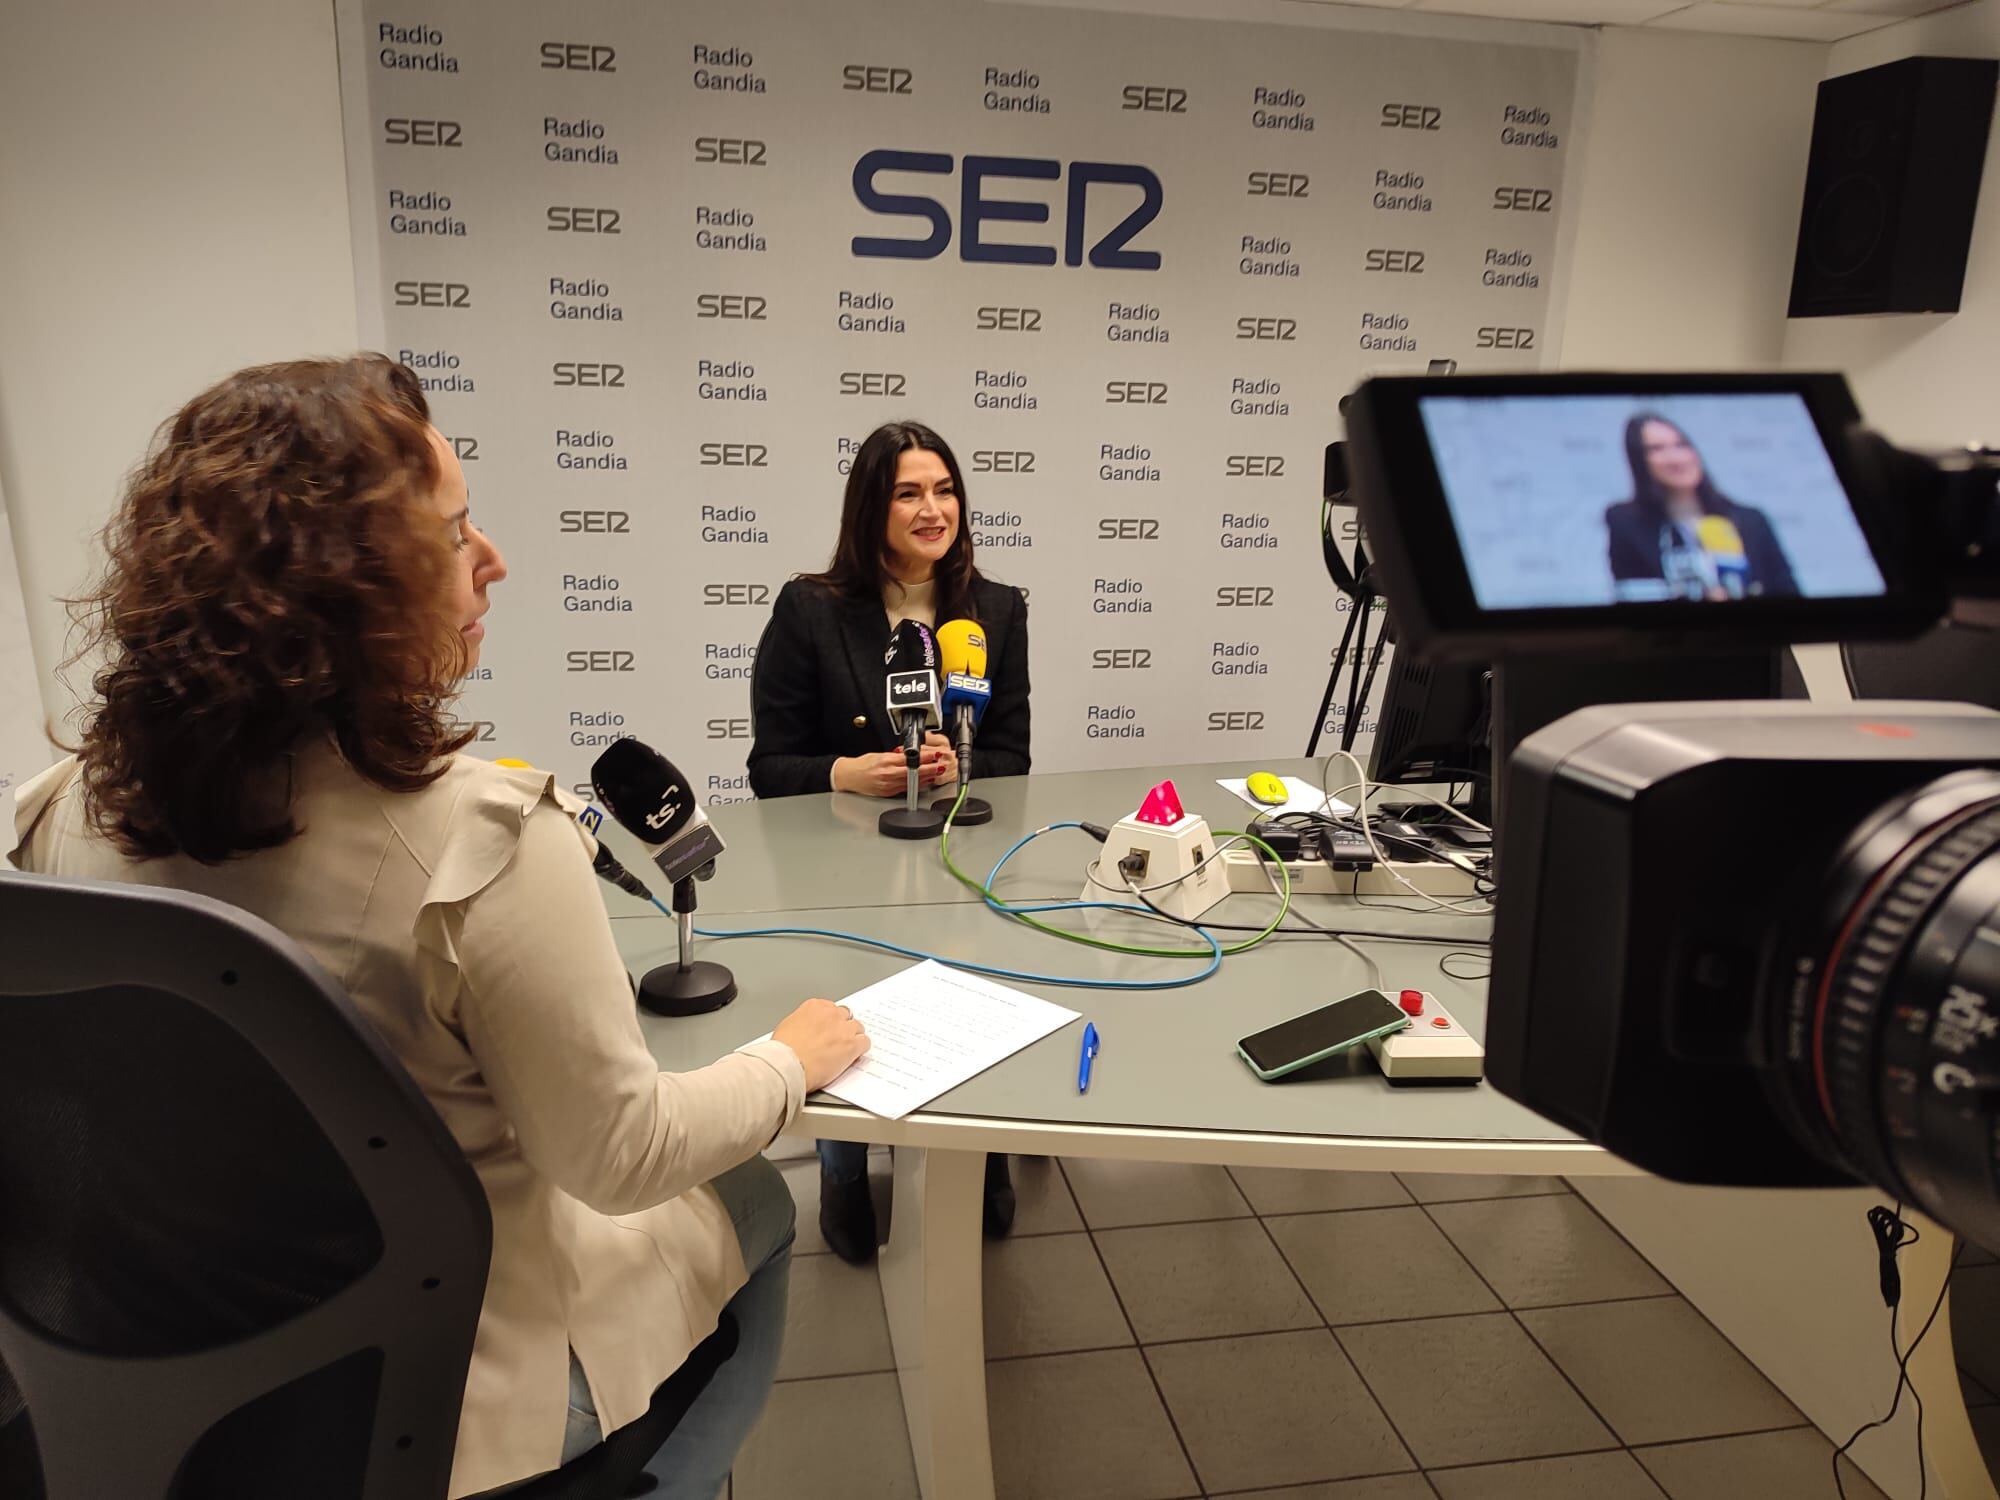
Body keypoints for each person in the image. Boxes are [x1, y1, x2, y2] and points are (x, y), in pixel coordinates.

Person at [6, 355, 870, 1500]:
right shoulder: (486, 844)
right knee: (754, 1203)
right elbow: (623, 1159)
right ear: (347, 587)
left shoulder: (51, 813)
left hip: (164, 1374)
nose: (493, 560)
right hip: (443, 1419)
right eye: (456, 533)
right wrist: (786, 1062)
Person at [746, 420, 1029, 1263]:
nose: (931, 509)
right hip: (845, 869)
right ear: (872, 507)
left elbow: (1012, 757)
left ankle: (985, 1152)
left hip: (959, 861)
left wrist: (958, 771)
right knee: (853, 1016)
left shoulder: (996, 611)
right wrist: (845, 772)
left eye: (944, 490)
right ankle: (842, 1163)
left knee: (976, 1002)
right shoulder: (810, 610)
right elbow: (769, 767)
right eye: (909, 492)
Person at [1604, 412, 1800, 600]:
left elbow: (1787, 593)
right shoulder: (1626, 523)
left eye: (1681, 445)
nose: (1676, 458)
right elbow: (1631, 596)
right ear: (1638, 461)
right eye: (1657, 449)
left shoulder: (1750, 520)